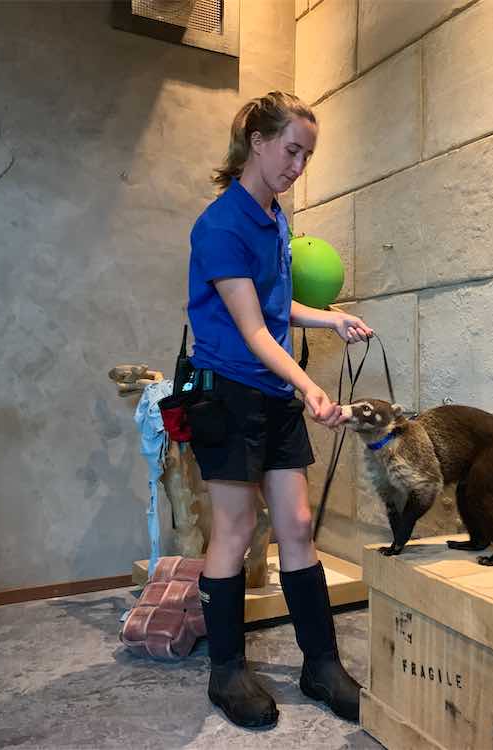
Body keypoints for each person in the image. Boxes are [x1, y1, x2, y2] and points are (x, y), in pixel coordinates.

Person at [186, 91, 373, 729]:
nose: (298, 164)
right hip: (228, 391)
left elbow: (276, 309)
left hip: (269, 391)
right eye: (291, 149)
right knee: (236, 531)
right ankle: (226, 672)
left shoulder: (276, 222)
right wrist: (311, 387)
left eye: (307, 155)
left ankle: (320, 665)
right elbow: (252, 331)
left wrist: (331, 317)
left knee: (295, 525)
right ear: (257, 141)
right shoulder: (219, 226)